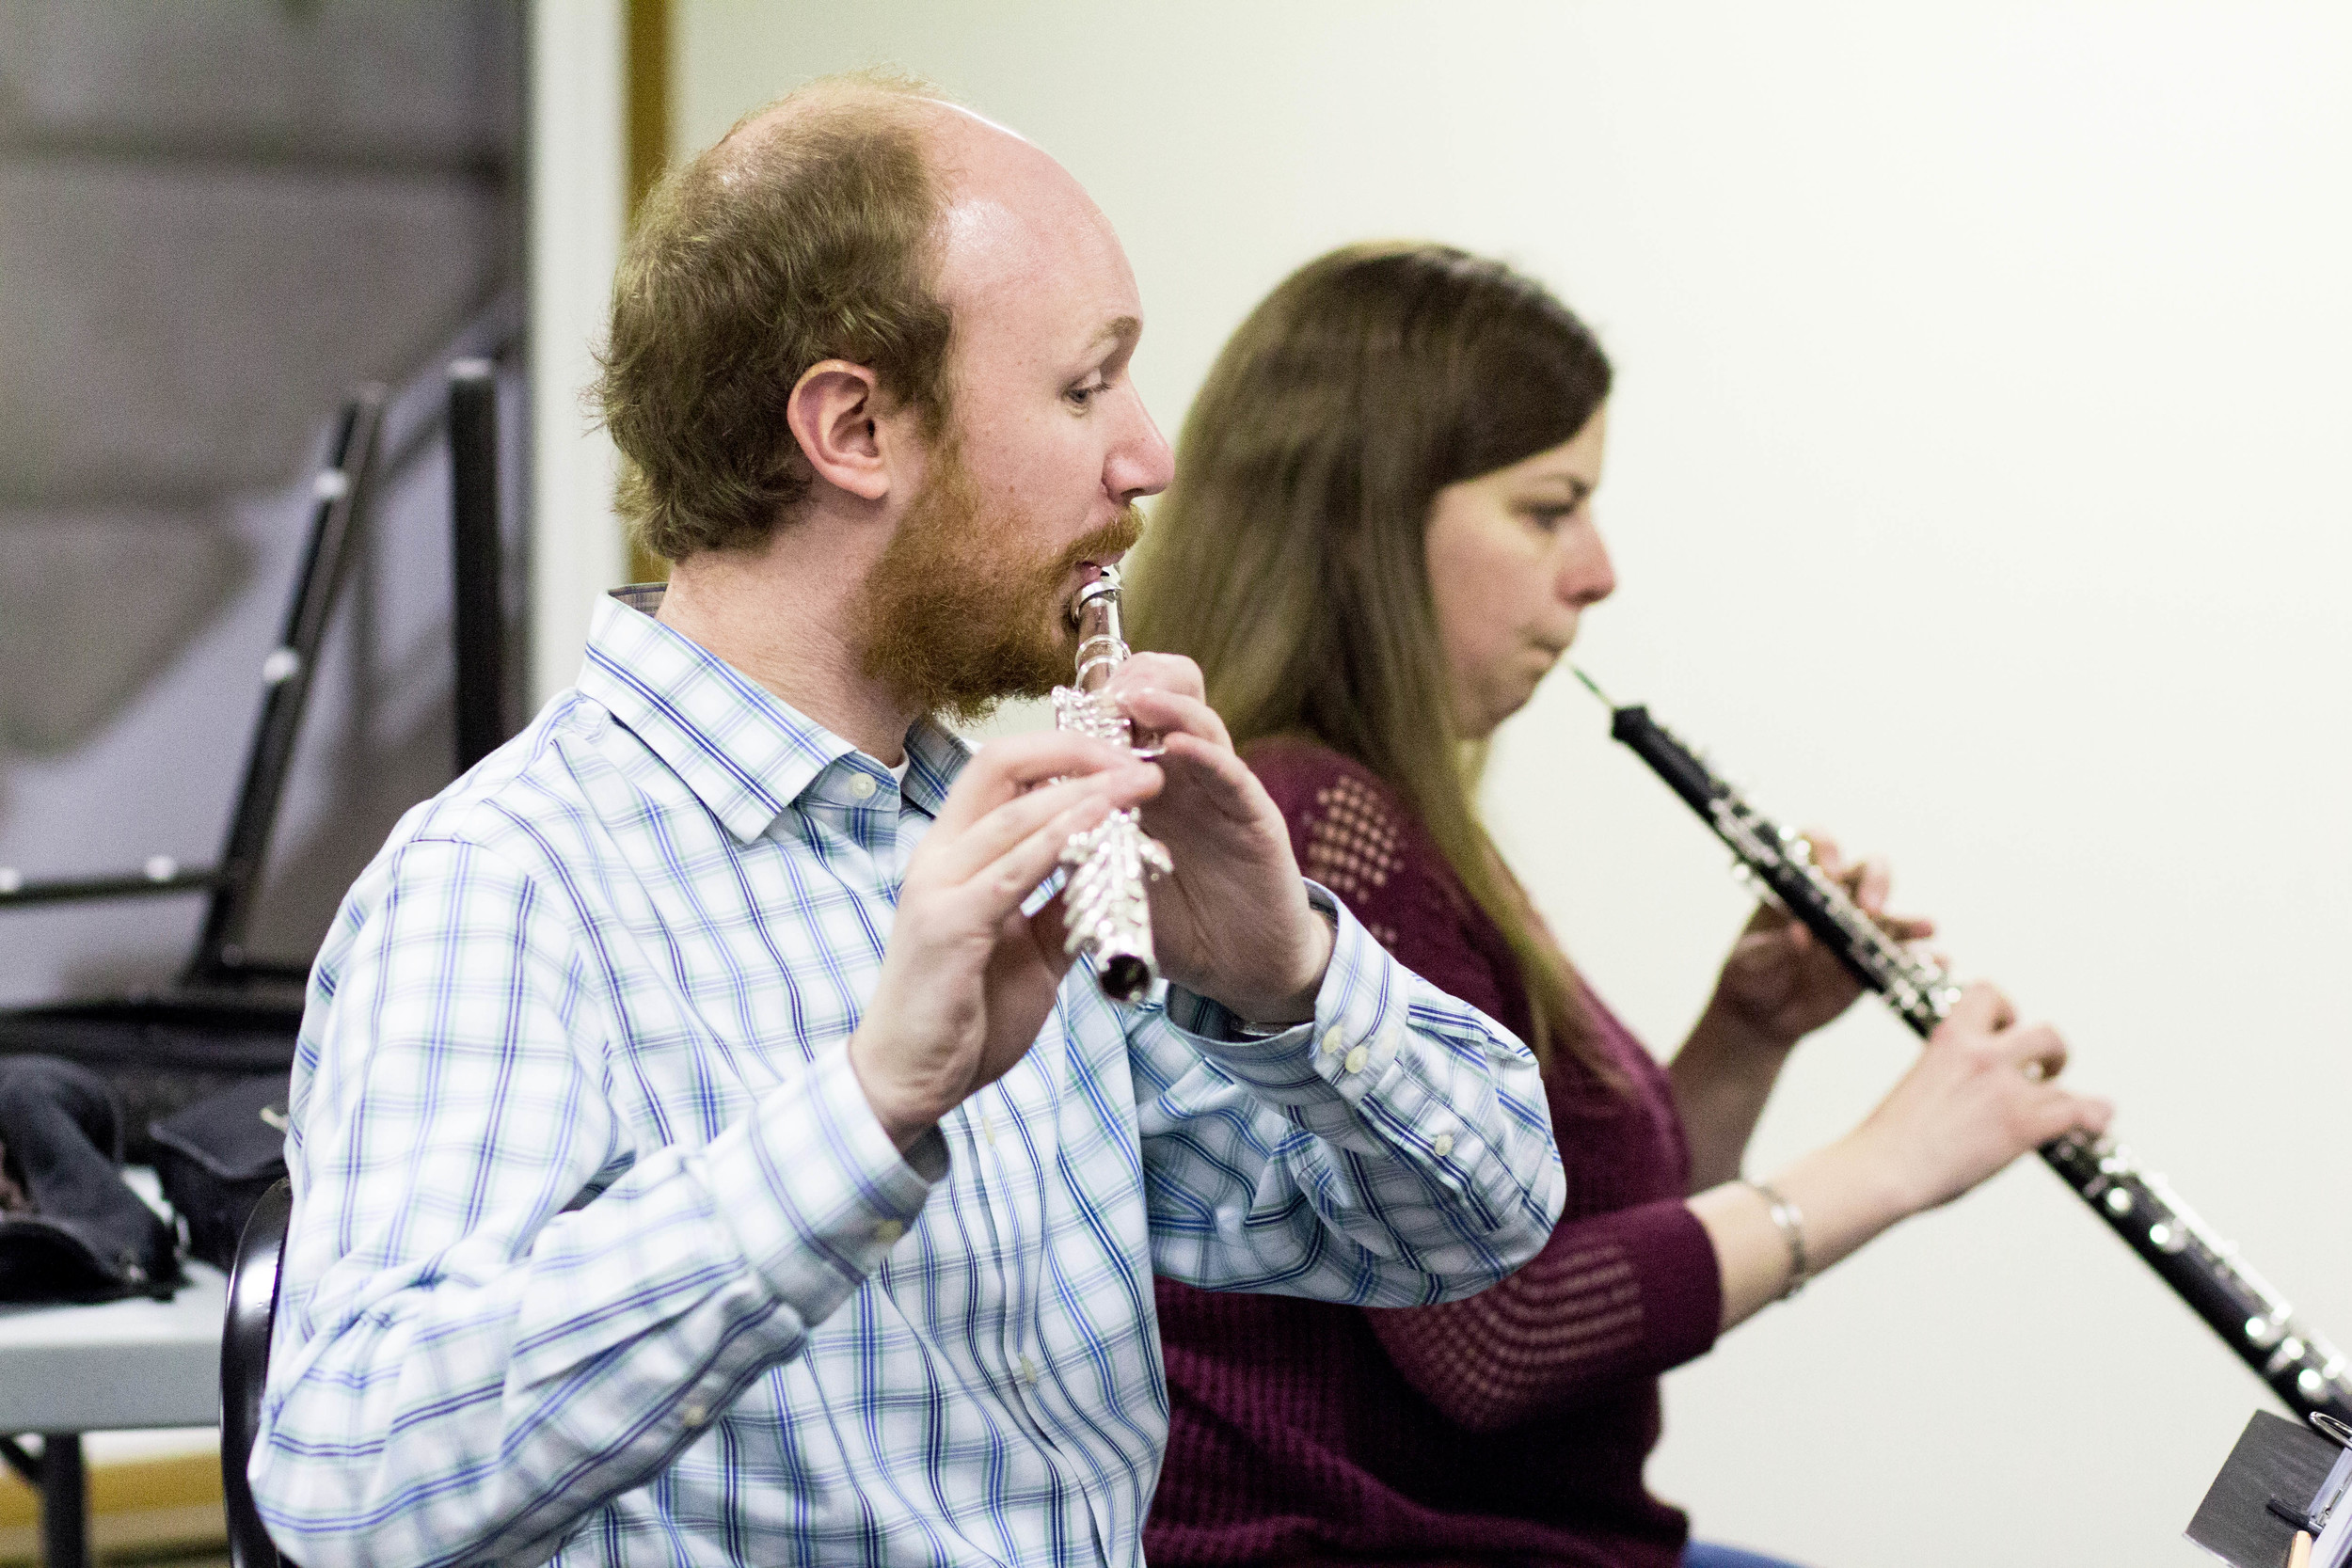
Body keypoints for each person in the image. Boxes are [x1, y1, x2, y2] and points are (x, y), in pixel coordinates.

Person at [247, 92, 1565, 1568]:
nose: (1150, 459)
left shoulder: (998, 836)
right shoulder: (508, 885)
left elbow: (1476, 1226)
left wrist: (1292, 979)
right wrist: (867, 1112)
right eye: (1086, 390)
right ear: (856, 429)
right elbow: (348, 1485)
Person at [1125, 243, 2112, 1568]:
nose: (1596, 572)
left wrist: (1747, 1034)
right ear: (1371, 520)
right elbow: (1503, 1339)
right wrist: (1891, 1162)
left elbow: (1572, 1241)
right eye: (1548, 509)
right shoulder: (1311, 828)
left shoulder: (1377, 817)